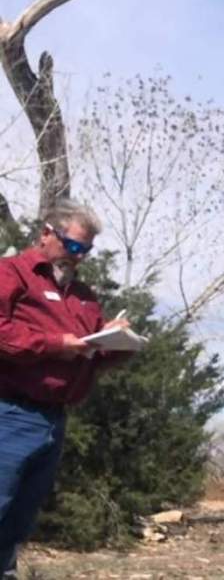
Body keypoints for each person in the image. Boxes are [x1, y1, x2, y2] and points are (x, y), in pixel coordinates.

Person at [0, 201, 129, 578]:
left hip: (53, 420)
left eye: (85, 250)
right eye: (72, 246)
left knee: (19, 518)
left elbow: (88, 356)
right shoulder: (12, 274)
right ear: (46, 234)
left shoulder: (84, 296)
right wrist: (60, 344)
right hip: (8, 412)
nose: (79, 256)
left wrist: (117, 345)